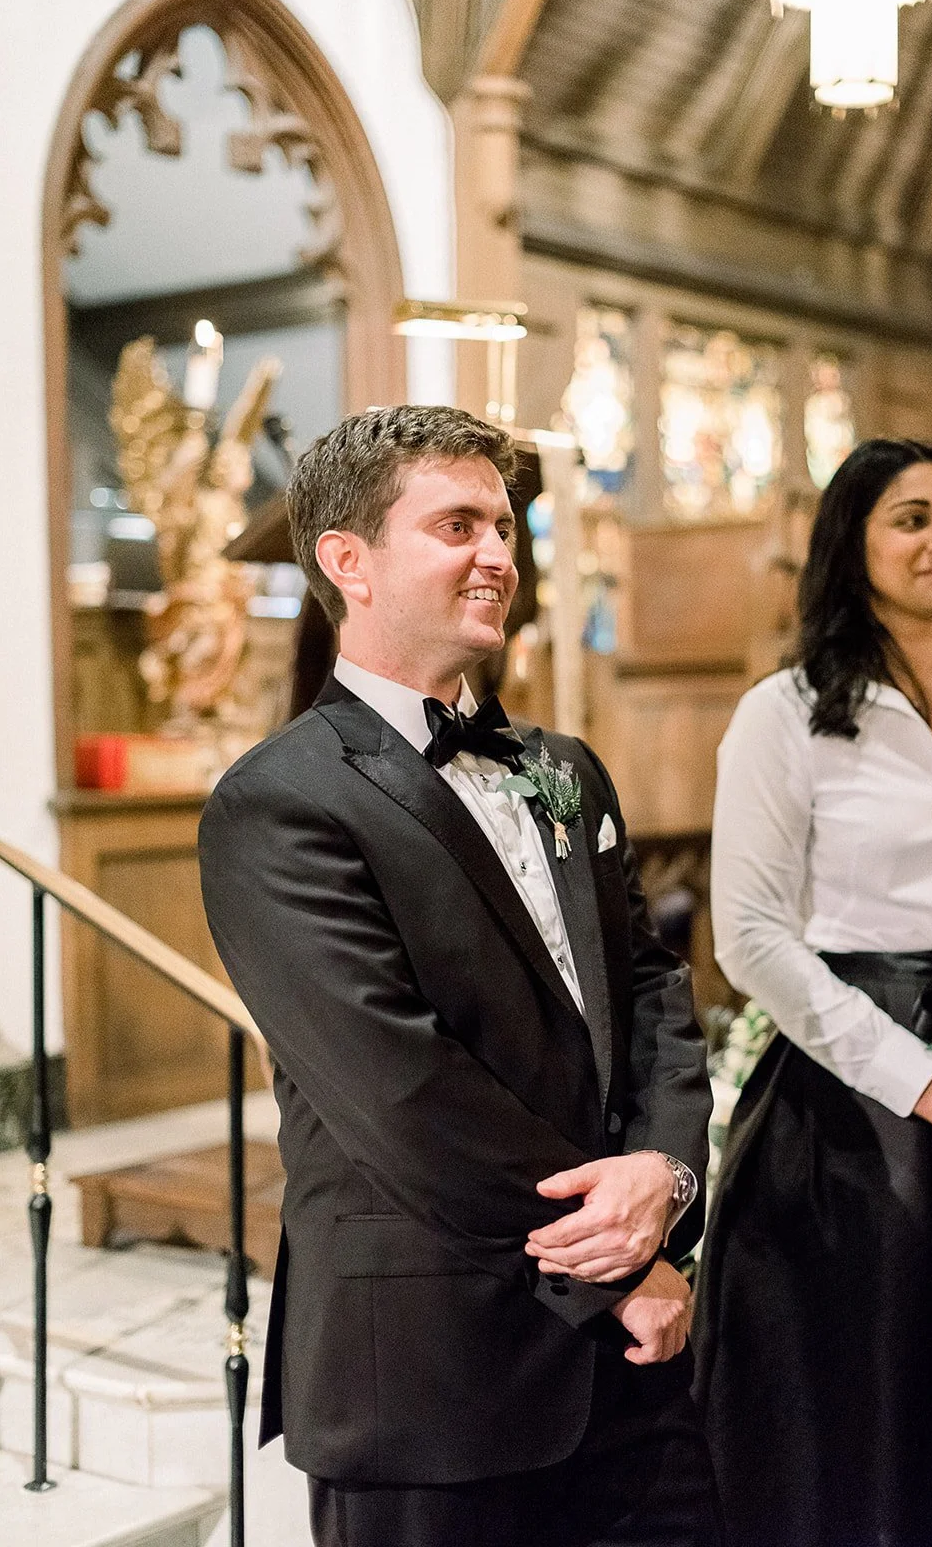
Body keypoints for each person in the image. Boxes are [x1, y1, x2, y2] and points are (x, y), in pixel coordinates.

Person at [198, 405, 717, 1547]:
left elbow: (655, 997)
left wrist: (669, 1185)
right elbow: (404, 1092)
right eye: (457, 526)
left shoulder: (564, 768)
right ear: (350, 562)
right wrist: (616, 1261)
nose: (499, 552)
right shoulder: (276, 802)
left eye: (503, 523)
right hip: (433, 1379)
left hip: (638, 1363)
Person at [691, 437, 932, 1547]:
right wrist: (926, 1082)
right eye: (911, 518)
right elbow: (751, 937)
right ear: (850, 543)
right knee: (873, 1415)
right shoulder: (787, 712)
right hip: (854, 1103)